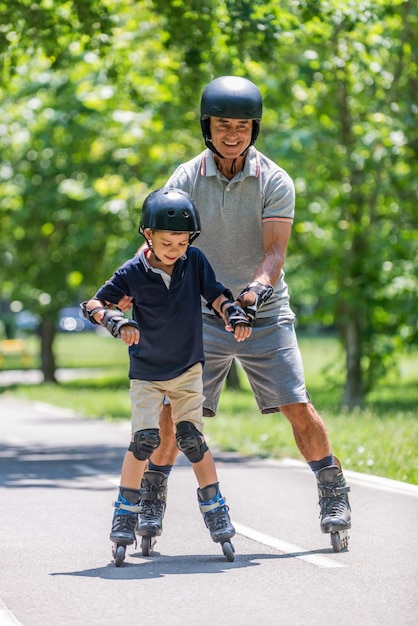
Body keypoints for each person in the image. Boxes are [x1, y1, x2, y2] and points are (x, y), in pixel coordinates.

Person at [120, 76, 351, 550]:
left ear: (254, 129)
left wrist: (254, 294)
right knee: (174, 416)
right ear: (207, 127)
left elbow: (274, 254)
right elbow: (163, 247)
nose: (232, 134)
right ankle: (153, 495)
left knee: (296, 404)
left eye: (242, 126)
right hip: (200, 316)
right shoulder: (185, 179)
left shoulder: (275, 180)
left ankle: (333, 491)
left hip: (261, 312)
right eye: (223, 125)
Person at [81, 187, 251, 562]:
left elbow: (217, 295)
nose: (175, 249)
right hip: (146, 371)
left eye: (182, 241)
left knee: (191, 437)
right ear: (148, 236)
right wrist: (115, 321)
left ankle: (216, 507)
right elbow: (93, 303)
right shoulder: (131, 272)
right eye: (167, 241)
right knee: (144, 441)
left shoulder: (195, 262)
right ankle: (126, 513)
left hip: (188, 366)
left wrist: (233, 313)